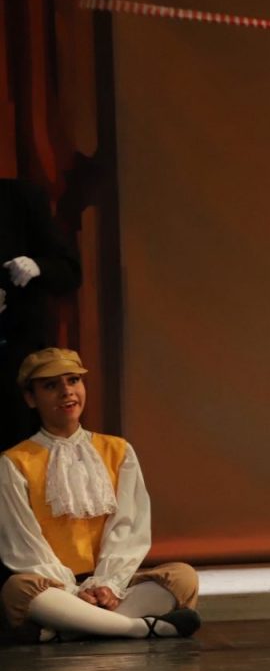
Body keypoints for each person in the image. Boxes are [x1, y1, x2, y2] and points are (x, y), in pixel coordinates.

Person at [0, 348, 200, 642]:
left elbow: (129, 526)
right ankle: (138, 628)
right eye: (51, 385)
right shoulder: (15, 461)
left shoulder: (118, 450)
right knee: (18, 590)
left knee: (183, 578)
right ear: (31, 398)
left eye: (73, 380)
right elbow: (23, 543)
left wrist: (108, 583)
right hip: (55, 589)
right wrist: (72, 592)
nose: (67, 392)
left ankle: (66, 631)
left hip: (112, 586)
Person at [0, 179, 83, 449]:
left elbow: (69, 271)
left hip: (14, 363)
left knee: (19, 453)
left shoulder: (20, 197)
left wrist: (37, 266)